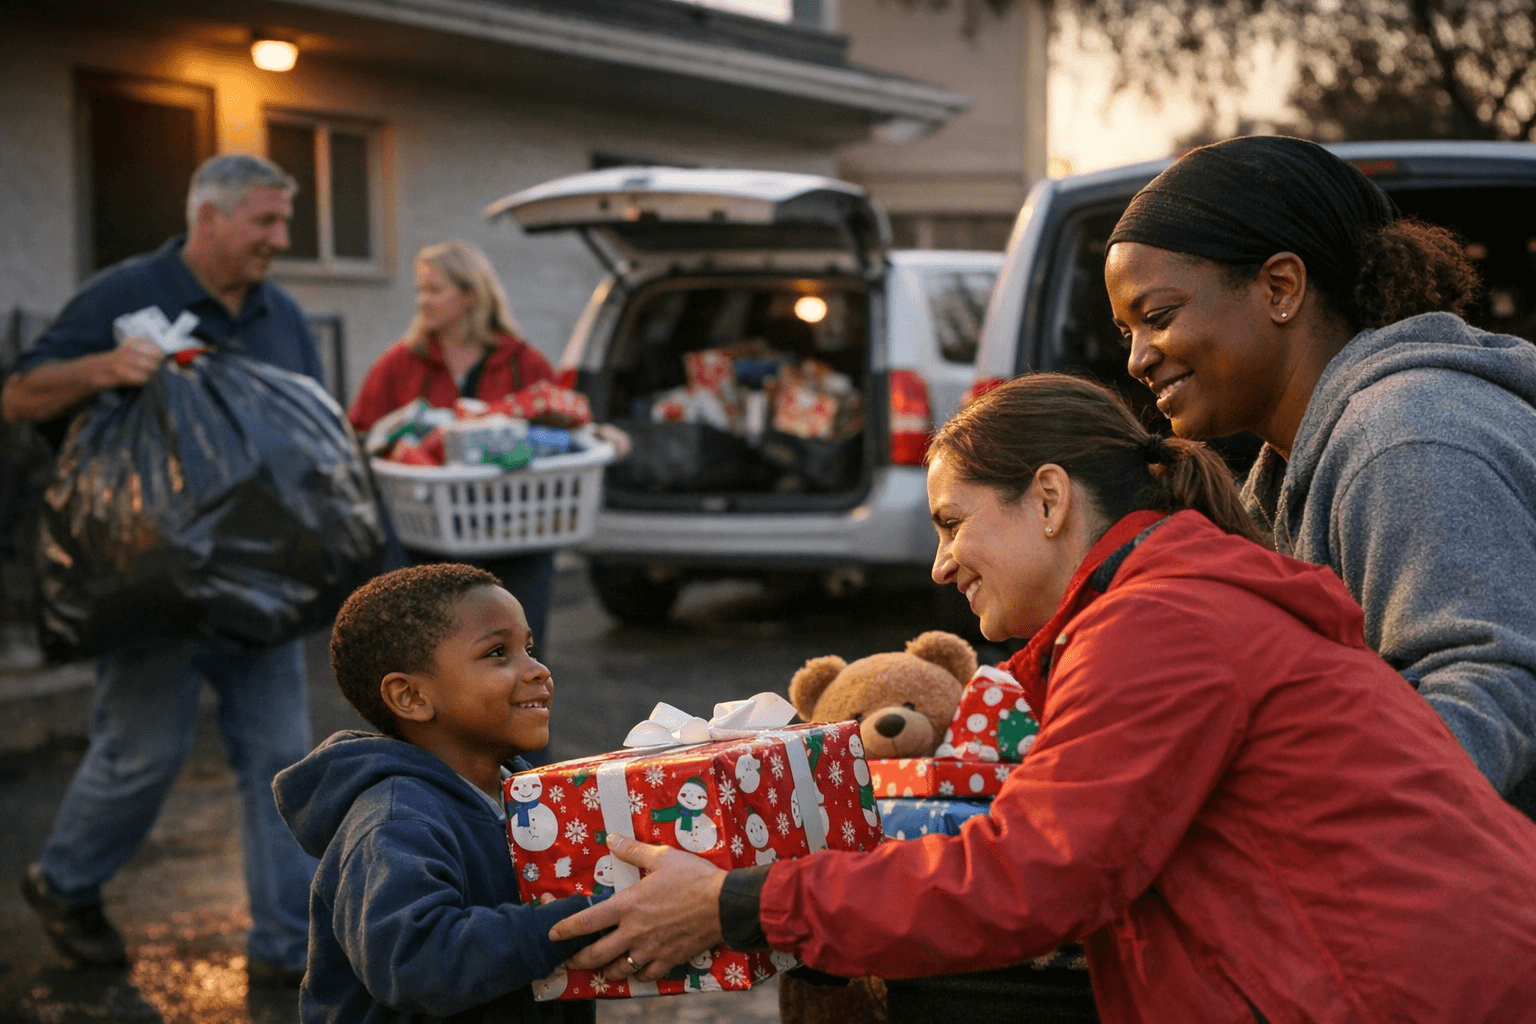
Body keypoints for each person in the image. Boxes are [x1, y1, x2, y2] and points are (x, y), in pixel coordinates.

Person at [544, 374, 1536, 1023]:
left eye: (952, 522)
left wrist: (738, 901)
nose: (940, 564)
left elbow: (1036, 874)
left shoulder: (1162, 626)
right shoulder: (1166, 605)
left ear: (1051, 499)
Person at [1103, 134, 1536, 816]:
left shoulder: (1402, 437)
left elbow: (1490, 684)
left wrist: (1311, 839)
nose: (1137, 358)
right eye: (1126, 329)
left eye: (1158, 317)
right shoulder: (1296, 463)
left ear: (1281, 288)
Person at [1, 153, 320, 985]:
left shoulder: (280, 313)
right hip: (153, 582)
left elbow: (307, 434)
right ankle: (64, 885)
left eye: (284, 223)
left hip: (260, 583)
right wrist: (105, 368)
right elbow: (20, 394)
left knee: (284, 759)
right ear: (209, 219)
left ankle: (290, 948)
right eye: (266, 223)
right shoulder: (121, 294)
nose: (280, 240)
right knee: (141, 753)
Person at [273, 562, 599, 1023]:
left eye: (529, 647)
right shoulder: (394, 821)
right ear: (411, 697)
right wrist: (578, 922)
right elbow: (414, 962)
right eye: (498, 653)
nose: (538, 671)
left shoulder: (525, 794)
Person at [348, 240, 602, 651]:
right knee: (435, 660)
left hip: (518, 534)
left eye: (435, 289)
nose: (422, 300)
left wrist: (601, 434)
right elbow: (360, 434)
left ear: (470, 295)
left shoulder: (524, 363)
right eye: (420, 289)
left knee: (517, 657)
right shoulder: (399, 363)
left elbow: (566, 427)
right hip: (424, 540)